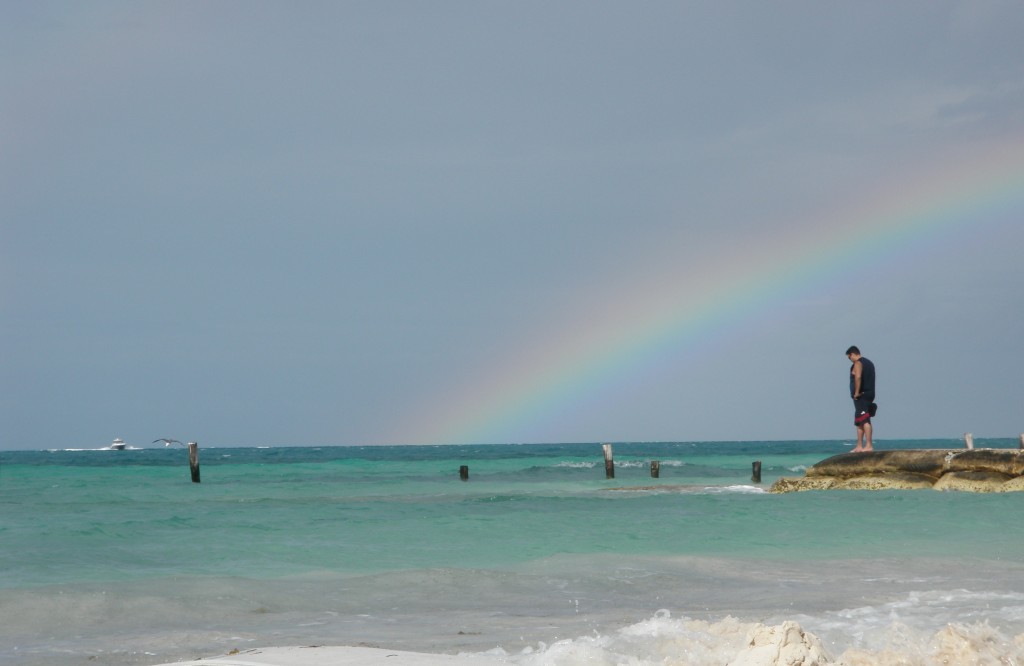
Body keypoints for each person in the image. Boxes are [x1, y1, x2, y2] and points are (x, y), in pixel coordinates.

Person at [845, 346, 876, 452]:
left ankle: (868, 445)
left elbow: (858, 377)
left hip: (862, 395)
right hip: (869, 393)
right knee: (859, 421)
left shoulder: (858, 363)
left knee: (865, 419)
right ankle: (859, 446)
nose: (850, 360)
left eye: (849, 357)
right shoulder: (869, 363)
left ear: (852, 354)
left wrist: (857, 392)